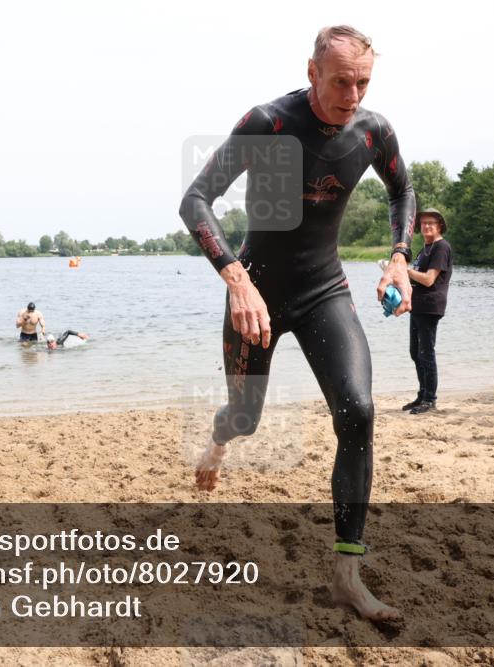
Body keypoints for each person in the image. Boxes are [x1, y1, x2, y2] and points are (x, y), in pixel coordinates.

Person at [179, 25, 416, 622]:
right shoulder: (268, 123)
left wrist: (398, 257)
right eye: (341, 81)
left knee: (358, 411)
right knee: (247, 418)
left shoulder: (373, 131)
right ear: (312, 72)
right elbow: (196, 200)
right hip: (255, 287)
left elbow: (402, 191)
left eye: (364, 82)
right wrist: (237, 280)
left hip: (323, 289)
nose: (353, 94)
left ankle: (346, 575)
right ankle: (218, 442)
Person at [403, 208, 452, 414]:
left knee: (426, 352)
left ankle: (430, 399)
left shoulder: (441, 247)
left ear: (440, 225)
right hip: (418, 305)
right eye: (423, 223)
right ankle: (422, 394)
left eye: (431, 223)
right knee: (415, 352)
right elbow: (415, 278)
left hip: (431, 306)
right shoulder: (425, 248)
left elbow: (429, 279)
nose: (426, 226)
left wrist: (405, 270)